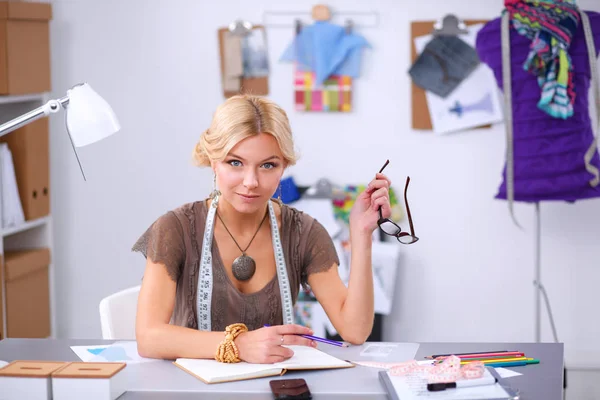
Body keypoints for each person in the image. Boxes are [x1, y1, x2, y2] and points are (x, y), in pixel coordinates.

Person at [132, 95, 392, 364]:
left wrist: (361, 235)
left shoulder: (303, 233)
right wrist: (239, 344)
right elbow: (149, 337)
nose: (251, 182)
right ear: (213, 161)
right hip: (192, 387)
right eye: (235, 163)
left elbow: (355, 330)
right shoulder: (175, 229)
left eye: (268, 165)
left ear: (284, 166)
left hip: (273, 386)